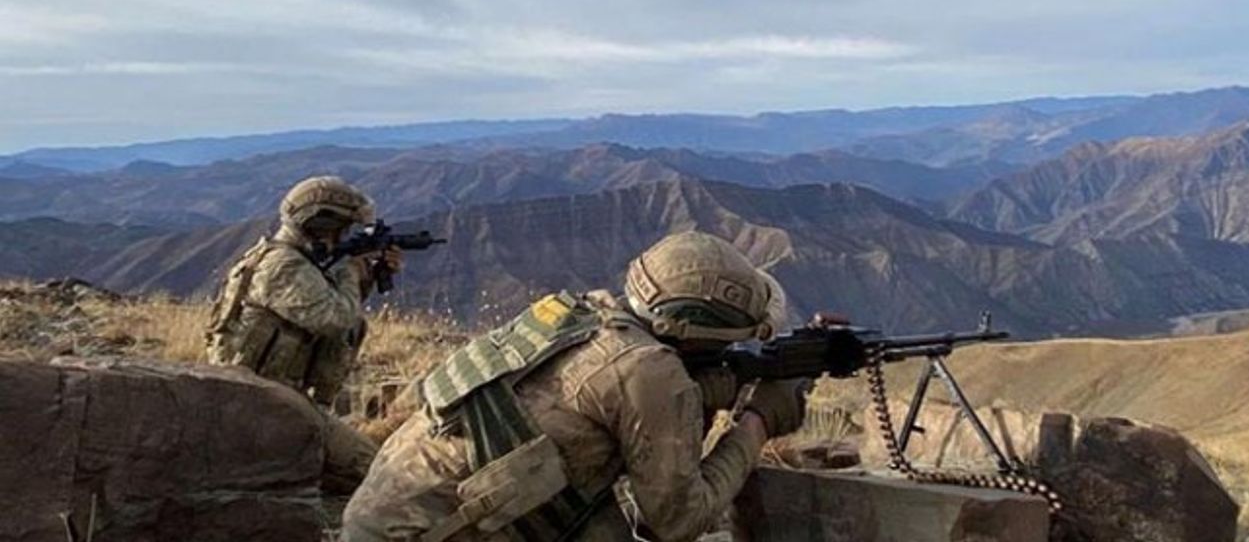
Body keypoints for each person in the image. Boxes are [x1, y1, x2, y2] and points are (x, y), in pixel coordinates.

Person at [342, 230, 808, 542]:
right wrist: (758, 421)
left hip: (379, 521)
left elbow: (579, 401)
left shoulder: (581, 314)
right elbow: (675, 523)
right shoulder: (652, 371)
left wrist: (707, 392)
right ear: (698, 334)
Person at [205, 175, 400, 491]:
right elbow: (336, 319)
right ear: (321, 224)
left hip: (273, 395)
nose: (344, 235)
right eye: (342, 228)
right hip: (257, 401)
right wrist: (351, 273)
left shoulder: (298, 260)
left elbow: (328, 313)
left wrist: (366, 277)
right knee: (379, 473)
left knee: (364, 465)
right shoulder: (283, 267)